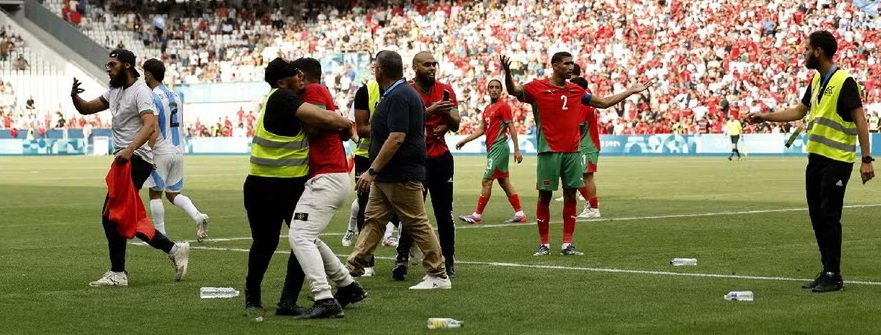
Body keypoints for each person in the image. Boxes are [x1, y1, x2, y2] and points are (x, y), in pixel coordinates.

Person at [745, 30, 874, 293]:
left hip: (837, 160)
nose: (803, 54)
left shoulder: (845, 81)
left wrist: (866, 159)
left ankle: (833, 274)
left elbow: (860, 119)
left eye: (806, 49)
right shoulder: (816, 80)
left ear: (818, 51)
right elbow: (799, 111)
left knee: (829, 215)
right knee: (817, 215)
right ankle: (827, 270)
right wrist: (765, 116)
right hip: (816, 159)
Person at [501, 52, 653, 256]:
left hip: (573, 152)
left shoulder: (576, 90)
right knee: (544, 196)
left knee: (571, 195)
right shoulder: (537, 87)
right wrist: (507, 73)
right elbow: (514, 90)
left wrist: (631, 91)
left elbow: (604, 103)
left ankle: (567, 244)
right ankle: (544, 244)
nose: (571, 67)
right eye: (567, 63)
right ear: (555, 65)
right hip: (548, 151)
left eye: (572, 63)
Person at [244, 58, 354, 318]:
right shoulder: (282, 97)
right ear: (283, 83)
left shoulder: (285, 97)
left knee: (291, 240)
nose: (301, 77)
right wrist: (345, 122)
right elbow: (323, 118)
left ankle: (274, 300)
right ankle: (265, 298)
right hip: (270, 185)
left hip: (279, 184)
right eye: (296, 74)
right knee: (273, 242)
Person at [71, 48, 189, 287]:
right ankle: (173, 249)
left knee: (112, 216)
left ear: (126, 65)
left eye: (112, 64)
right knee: (121, 217)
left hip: (135, 159)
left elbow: (150, 124)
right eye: (107, 65)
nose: (108, 68)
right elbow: (86, 108)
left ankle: (119, 273)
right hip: (125, 159)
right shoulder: (114, 91)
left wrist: (130, 149)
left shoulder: (141, 91)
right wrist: (74, 97)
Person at [347, 50, 451, 290]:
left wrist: (372, 170)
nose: (374, 70)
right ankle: (352, 269)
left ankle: (438, 274)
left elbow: (396, 137)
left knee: (416, 223)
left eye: (375, 67)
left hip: (400, 174)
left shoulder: (399, 96)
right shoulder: (399, 94)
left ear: (380, 70)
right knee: (373, 221)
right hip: (389, 175)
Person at [286, 57, 366, 319]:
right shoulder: (321, 92)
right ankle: (348, 285)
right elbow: (341, 129)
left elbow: (314, 127)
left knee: (300, 236)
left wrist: (297, 112)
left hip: (326, 176)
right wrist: (339, 120)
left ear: (301, 75)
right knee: (307, 236)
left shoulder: (313, 91)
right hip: (329, 174)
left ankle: (324, 298)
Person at [393, 51, 460, 280]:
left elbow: (456, 123)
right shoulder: (406, 91)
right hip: (415, 160)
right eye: (426, 64)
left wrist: (447, 119)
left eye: (434, 64)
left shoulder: (445, 90)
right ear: (415, 67)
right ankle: (401, 259)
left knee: (444, 213)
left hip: (441, 158)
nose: (432, 68)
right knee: (412, 213)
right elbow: (404, 123)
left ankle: (448, 260)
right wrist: (431, 110)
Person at [141, 58, 210, 241]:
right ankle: (197, 215)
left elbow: (154, 127)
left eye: (144, 73)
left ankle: (160, 236)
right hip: (178, 150)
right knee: (173, 194)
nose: (143, 77)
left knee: (155, 193)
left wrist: (148, 149)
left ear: (149, 75)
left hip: (161, 150)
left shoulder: (152, 96)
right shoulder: (176, 95)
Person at [455, 79, 526, 224]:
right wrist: (465, 140)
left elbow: (511, 127)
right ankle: (520, 214)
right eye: (491, 87)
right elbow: (482, 129)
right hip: (492, 148)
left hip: (499, 147)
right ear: (488, 90)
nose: (494, 90)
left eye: (497, 87)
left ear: (501, 90)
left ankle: (476, 215)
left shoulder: (503, 106)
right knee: (504, 182)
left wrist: (517, 150)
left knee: (486, 180)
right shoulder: (487, 108)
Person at [569, 76, 603, 219]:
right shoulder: (587, 102)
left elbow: (578, 126)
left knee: (586, 177)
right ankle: (591, 204)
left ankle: (594, 208)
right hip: (586, 144)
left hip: (587, 145)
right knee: (577, 176)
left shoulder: (582, 104)